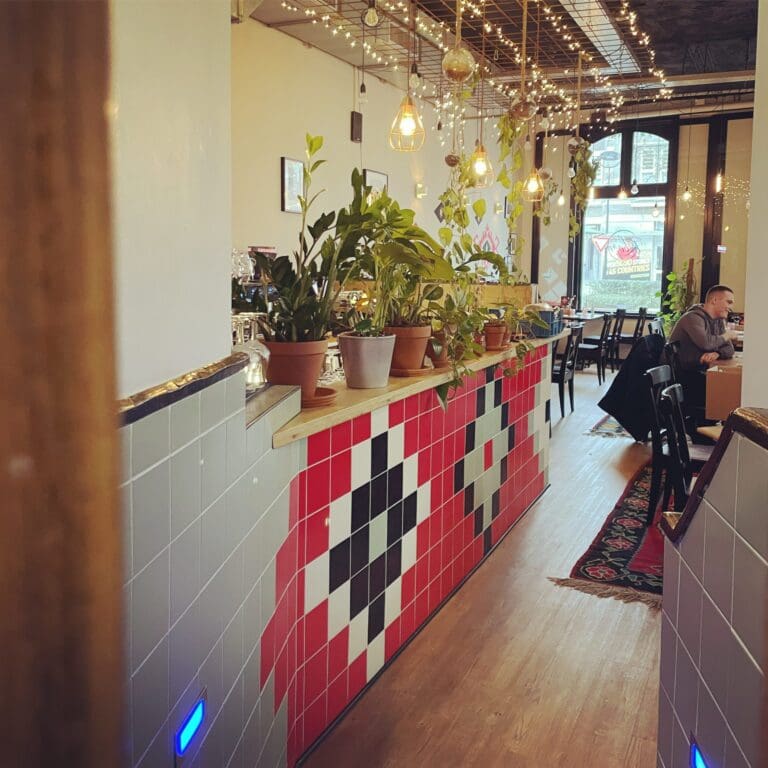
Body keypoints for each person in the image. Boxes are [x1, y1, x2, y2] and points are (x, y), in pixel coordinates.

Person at [668, 284, 739, 416]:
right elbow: (706, 344)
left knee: (730, 387)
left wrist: (717, 353)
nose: (731, 307)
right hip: (682, 377)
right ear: (714, 300)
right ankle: (711, 423)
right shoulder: (692, 317)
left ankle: (718, 422)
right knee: (726, 389)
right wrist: (727, 335)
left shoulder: (718, 320)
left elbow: (729, 349)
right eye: (728, 302)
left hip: (698, 370)